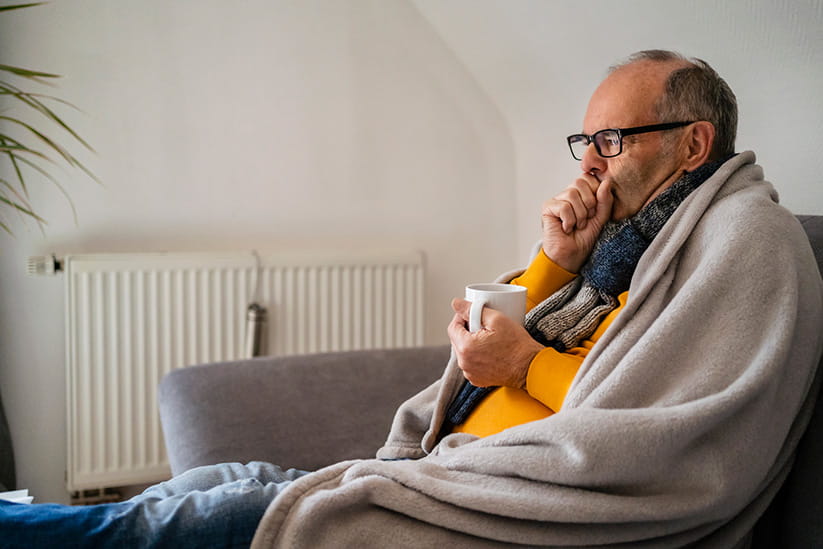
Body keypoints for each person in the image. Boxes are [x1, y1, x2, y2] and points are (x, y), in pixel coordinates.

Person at [2, 50, 821, 548]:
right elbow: (511, 346)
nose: (590, 164)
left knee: (156, 530)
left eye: (610, 140)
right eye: (584, 141)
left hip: (516, 513)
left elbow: (659, 435)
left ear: (693, 143)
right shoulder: (623, 248)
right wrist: (551, 262)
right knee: (220, 477)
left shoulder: (748, 239)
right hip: (457, 469)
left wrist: (524, 361)